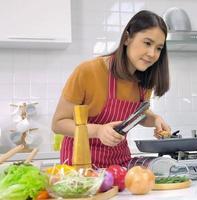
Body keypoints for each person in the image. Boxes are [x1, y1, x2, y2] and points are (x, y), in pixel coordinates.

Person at [52, 10, 171, 168]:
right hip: (80, 165)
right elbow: (58, 124)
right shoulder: (88, 71)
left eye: (158, 48)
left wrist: (154, 119)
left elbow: (138, 114)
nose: (152, 54)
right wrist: (98, 131)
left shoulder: (144, 80)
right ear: (127, 38)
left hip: (119, 164)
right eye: (147, 43)